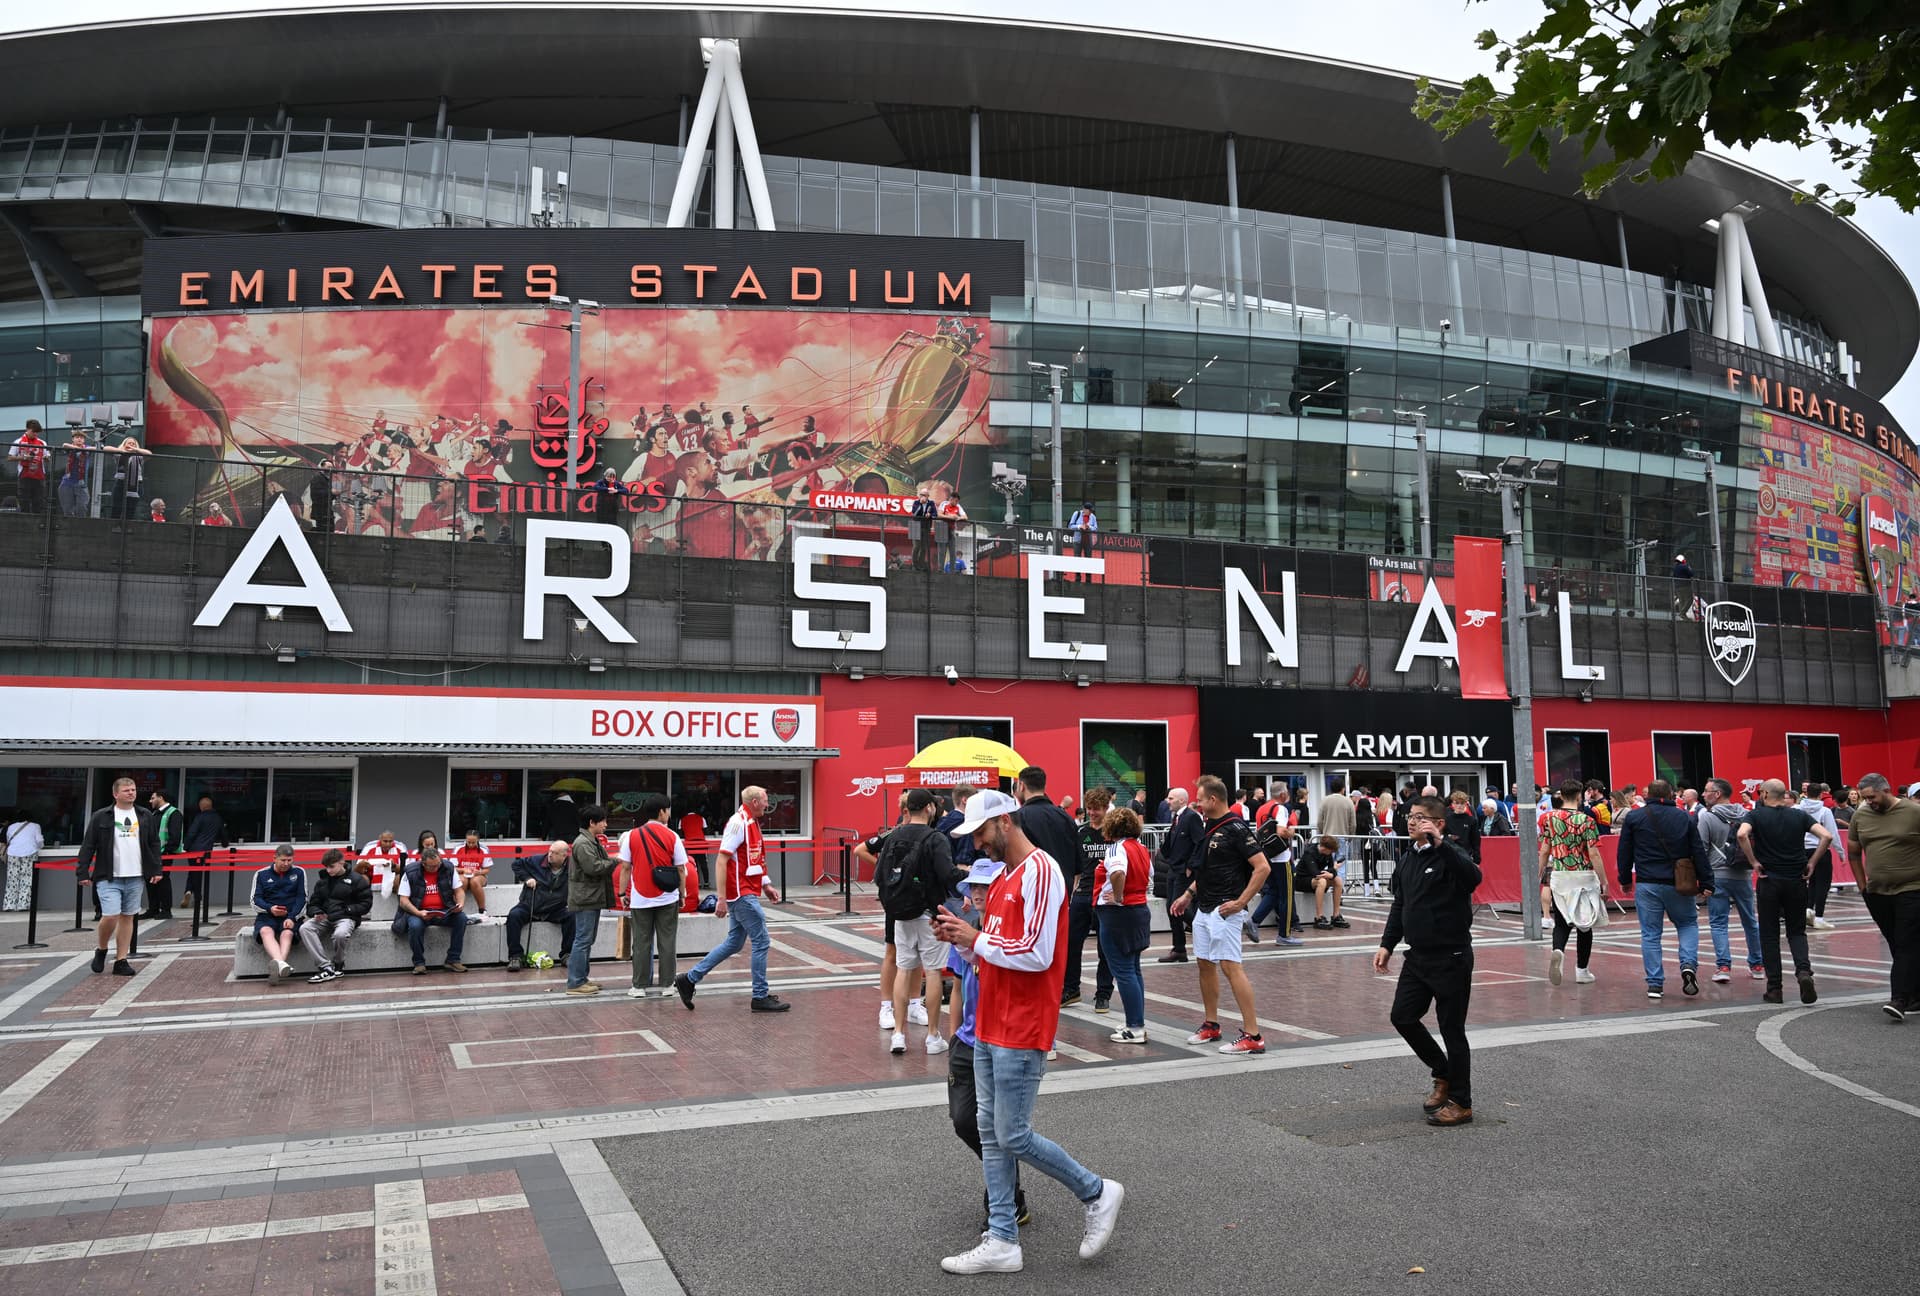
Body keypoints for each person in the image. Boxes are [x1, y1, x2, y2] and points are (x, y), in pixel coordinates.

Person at [930, 790, 1124, 1275]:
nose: (976, 843)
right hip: (993, 1022)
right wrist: (965, 940)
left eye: (980, 832)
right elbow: (997, 953)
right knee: (995, 1136)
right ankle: (1001, 1238)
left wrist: (976, 939)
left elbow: (1037, 955)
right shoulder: (1006, 878)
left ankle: (1096, 1191)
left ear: (1004, 822)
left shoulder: (1040, 871)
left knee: (1011, 1134)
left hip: (1021, 1024)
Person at [1375, 796, 1482, 1127]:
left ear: (1438, 824)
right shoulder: (1408, 858)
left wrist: (1442, 845)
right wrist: (1387, 944)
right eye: (1410, 816)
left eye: (1421, 817)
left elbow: (1473, 878)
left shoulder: (1452, 855)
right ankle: (1443, 1073)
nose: (1412, 822)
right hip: (1417, 957)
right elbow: (1399, 905)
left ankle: (1461, 1102)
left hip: (1451, 956)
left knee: (1452, 1029)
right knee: (1403, 1017)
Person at [943, 859, 1030, 1231]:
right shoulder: (967, 931)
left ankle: (1006, 1202)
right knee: (964, 1122)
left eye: (985, 887)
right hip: (966, 1043)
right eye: (973, 888)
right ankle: (1008, 1182)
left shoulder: (1003, 937)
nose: (977, 894)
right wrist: (953, 1036)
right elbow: (959, 987)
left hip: (999, 1042)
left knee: (996, 1128)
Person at [1167, 775, 1271, 1056]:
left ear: (1213, 799)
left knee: (1230, 965)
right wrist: (1188, 894)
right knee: (1204, 963)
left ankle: (1253, 1034)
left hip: (1226, 908)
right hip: (1205, 906)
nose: (1197, 804)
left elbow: (1262, 867)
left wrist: (1240, 902)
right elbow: (1208, 869)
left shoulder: (1236, 828)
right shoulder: (1209, 826)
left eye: (1200, 799)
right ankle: (1211, 1024)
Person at [674, 787, 789, 1012]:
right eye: (765, 801)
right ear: (754, 802)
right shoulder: (738, 824)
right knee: (762, 941)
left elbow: (753, 859)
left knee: (734, 943)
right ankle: (759, 996)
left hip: (745, 891)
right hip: (741, 894)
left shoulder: (751, 822)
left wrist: (765, 884)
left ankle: (689, 979)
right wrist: (722, 898)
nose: (768, 805)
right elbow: (721, 860)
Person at [878, 788, 961, 1053]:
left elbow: (880, 875)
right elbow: (947, 874)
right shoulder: (935, 838)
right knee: (933, 971)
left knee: (904, 968)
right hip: (929, 912)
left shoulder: (893, 836)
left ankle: (899, 1034)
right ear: (928, 808)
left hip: (900, 913)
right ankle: (933, 1036)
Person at [1617, 779, 1712, 999]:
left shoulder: (1635, 817)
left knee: (1650, 933)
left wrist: (1624, 879)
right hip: (1679, 881)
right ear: (1671, 794)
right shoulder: (1683, 817)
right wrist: (1706, 881)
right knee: (1687, 924)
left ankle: (1655, 984)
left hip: (1647, 882)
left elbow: (1625, 851)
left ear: (1648, 793)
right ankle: (1688, 964)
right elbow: (1697, 849)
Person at [1738, 779, 1829, 1005]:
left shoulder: (1756, 816)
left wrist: (1754, 861)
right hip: (1796, 879)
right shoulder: (1798, 815)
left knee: (1769, 935)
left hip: (1769, 879)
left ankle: (1775, 988)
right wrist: (1813, 863)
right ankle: (1803, 972)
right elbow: (1826, 836)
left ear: (1766, 793)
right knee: (1797, 931)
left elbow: (1742, 834)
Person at [1845, 773, 1920, 1021]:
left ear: (1886, 790)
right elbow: (1854, 853)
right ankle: (1916, 995)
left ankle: (1898, 998)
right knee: (1898, 944)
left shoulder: (1913, 812)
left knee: (1905, 941)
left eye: (1872, 797)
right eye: (1865, 798)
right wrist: (1862, 886)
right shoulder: (1861, 815)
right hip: (1877, 892)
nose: (1869, 802)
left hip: (1912, 889)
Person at [74, 776, 160, 977]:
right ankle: (102, 949)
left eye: (133, 789)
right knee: (110, 915)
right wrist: (83, 872)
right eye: (127, 790)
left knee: (128, 917)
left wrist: (156, 869)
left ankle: (121, 959)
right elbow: (88, 845)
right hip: (108, 875)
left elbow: (154, 844)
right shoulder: (101, 816)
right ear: (115, 794)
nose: (131, 792)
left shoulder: (145, 815)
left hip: (136, 875)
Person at [618, 794, 688, 998]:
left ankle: (639, 986)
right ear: (661, 812)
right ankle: (668, 985)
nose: (669, 813)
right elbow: (681, 869)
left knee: (641, 942)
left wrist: (623, 893)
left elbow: (625, 867)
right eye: (668, 809)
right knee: (667, 941)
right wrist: (682, 893)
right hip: (667, 897)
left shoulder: (632, 835)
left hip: (640, 897)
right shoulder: (672, 836)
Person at [1538, 780, 1606, 986]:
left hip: (1560, 874)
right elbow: (1594, 853)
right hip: (1582, 874)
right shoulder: (1586, 820)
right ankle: (1581, 970)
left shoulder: (1549, 818)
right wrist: (1604, 881)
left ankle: (1558, 949)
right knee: (1585, 925)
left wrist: (1539, 872)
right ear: (1579, 796)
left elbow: (1544, 850)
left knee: (1561, 920)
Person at [1096, 806, 1154, 1044]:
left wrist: (1118, 897)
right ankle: (1136, 1020)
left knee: (1123, 971)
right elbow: (1149, 876)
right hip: (1139, 910)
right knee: (1134, 969)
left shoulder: (1117, 848)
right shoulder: (1140, 848)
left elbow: (1118, 872)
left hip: (1118, 915)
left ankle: (1135, 1027)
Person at [1697, 778, 1763, 984]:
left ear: (1717, 794)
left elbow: (1701, 847)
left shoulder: (1706, 817)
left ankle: (1723, 966)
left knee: (1718, 922)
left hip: (1718, 873)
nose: (1703, 794)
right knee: (1750, 920)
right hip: (1743, 873)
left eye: (1707, 791)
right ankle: (1757, 964)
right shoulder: (1745, 814)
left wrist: (1702, 877)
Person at [1062, 786, 1114, 1011]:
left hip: (1105, 896)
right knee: (1072, 942)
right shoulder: (1080, 832)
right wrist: (1072, 892)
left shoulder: (1113, 833)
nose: (1092, 813)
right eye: (1089, 809)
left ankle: (1103, 993)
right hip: (1083, 894)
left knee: (1106, 947)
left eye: (1096, 809)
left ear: (1105, 808)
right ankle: (1071, 989)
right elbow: (1075, 866)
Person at [565, 805, 616, 995]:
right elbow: (593, 867)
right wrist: (616, 861)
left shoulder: (590, 841)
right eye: (602, 821)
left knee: (587, 939)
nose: (605, 824)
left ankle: (582, 979)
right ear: (591, 823)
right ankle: (576, 982)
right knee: (582, 940)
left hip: (591, 897)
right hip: (586, 898)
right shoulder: (583, 843)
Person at [396, 845, 469, 975]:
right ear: (423, 864)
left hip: (444, 910)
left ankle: (453, 959)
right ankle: (419, 963)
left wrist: (460, 904)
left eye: (438, 864)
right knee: (415, 926)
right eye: (432, 866)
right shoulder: (410, 872)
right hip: (418, 912)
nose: (436, 868)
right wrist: (418, 913)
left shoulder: (448, 868)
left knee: (462, 918)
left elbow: (459, 891)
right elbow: (403, 901)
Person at [301, 848, 370, 982]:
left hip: (346, 917)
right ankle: (326, 967)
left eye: (331, 867)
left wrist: (348, 910)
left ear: (342, 862)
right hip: (325, 917)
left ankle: (338, 964)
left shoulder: (357, 880)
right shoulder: (322, 881)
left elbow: (366, 904)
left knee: (340, 934)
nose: (328, 870)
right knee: (305, 928)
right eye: (326, 867)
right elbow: (313, 903)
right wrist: (316, 912)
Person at [506, 839, 574, 972]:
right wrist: (526, 878)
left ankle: (567, 954)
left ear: (564, 856)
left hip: (555, 908)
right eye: (549, 851)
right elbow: (516, 865)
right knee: (514, 916)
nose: (550, 855)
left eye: (554, 853)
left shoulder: (572, 866)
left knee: (572, 916)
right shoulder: (537, 860)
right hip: (530, 904)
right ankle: (515, 956)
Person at [1156, 788, 1204, 962]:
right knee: (1172, 908)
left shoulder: (1191, 817)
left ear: (1182, 801)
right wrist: (1165, 855)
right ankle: (1179, 948)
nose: (1167, 801)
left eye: (1171, 798)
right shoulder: (1176, 818)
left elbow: (1200, 843)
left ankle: (1203, 929)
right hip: (1173, 869)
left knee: (1177, 906)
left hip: (1184, 871)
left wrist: (1191, 866)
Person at [251, 844, 307, 985]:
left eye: (289, 860)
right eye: (283, 860)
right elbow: (255, 899)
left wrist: (292, 917)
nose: (286, 864)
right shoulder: (261, 874)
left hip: (290, 916)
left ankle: (278, 966)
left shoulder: (299, 872)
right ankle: (282, 965)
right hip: (267, 915)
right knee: (265, 931)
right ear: (274, 858)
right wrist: (270, 909)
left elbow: (302, 898)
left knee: (287, 933)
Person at [1796, 784, 1841, 930]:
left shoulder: (1797, 809)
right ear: (1821, 794)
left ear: (1805, 793)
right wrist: (1841, 853)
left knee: (1809, 882)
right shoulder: (1825, 811)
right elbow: (1832, 833)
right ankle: (1819, 917)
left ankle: (1808, 909)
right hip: (1821, 850)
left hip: (1802, 850)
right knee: (1822, 884)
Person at [143, 787, 184, 920]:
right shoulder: (154, 814)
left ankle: (166, 909)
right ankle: (153, 909)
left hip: (164, 854)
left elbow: (175, 836)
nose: (151, 801)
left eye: (153, 798)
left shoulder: (174, 813)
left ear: (161, 797)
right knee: (150, 881)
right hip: (151, 854)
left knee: (163, 881)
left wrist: (167, 850)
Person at [181, 793, 225, 915]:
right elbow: (223, 834)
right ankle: (193, 894)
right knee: (197, 873)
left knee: (194, 872)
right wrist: (225, 844)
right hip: (206, 851)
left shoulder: (199, 817)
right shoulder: (217, 818)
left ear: (201, 807)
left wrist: (186, 846)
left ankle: (193, 894)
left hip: (194, 850)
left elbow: (192, 833)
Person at [1296, 835, 1349, 930]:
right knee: (1322, 881)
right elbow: (1315, 873)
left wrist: (1332, 873)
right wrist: (1333, 870)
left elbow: (1332, 872)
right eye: (1331, 851)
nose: (1331, 853)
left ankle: (1336, 916)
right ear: (1325, 848)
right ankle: (1319, 917)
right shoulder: (1310, 853)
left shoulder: (1327, 854)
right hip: (1302, 880)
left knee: (1338, 880)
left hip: (1316, 878)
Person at [448, 829, 492, 921]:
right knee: (462, 881)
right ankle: (458, 908)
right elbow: (452, 868)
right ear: (465, 839)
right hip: (462, 874)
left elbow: (487, 869)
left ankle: (482, 910)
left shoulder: (484, 849)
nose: (471, 844)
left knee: (474, 881)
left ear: (478, 840)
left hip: (478, 876)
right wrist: (463, 870)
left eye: (473, 842)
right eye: (469, 842)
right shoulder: (458, 848)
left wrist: (478, 872)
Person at [4, 808, 42, 911]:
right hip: (29, 853)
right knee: (27, 879)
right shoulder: (35, 826)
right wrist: (39, 847)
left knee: (12, 879)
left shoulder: (11, 827)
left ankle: (9, 905)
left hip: (13, 853)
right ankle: (23, 905)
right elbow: (39, 841)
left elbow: (9, 840)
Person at [8, 419, 49, 514]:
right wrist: (23, 457)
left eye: (37, 432)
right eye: (33, 431)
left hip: (39, 477)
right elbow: (9, 457)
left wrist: (47, 457)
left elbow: (48, 457)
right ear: (27, 429)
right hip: (24, 476)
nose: (35, 434)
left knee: (39, 503)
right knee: (24, 503)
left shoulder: (42, 443)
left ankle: (38, 526)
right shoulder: (18, 441)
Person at [1442, 789, 1482, 864]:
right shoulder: (1446, 819)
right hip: (1450, 855)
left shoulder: (1472, 820)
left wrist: (1477, 860)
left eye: (1462, 803)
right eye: (1457, 803)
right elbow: (1442, 837)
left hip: (1466, 856)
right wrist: (1449, 837)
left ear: (1466, 804)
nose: (1459, 805)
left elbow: (1476, 841)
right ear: (1452, 804)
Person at [56, 430, 89, 517]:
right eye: (77, 437)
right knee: (67, 510)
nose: (79, 439)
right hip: (67, 483)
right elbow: (64, 445)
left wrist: (81, 449)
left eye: (81, 438)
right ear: (73, 439)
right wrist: (76, 448)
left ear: (84, 440)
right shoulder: (70, 448)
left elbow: (93, 449)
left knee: (82, 508)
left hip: (81, 483)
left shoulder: (86, 449)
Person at [1066, 500, 1098, 579]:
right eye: (1089, 510)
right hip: (1078, 539)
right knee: (1077, 557)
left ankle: (1088, 576)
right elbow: (1070, 526)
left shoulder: (1093, 517)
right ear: (1085, 509)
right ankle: (1078, 575)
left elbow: (1096, 528)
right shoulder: (1077, 514)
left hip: (1088, 539)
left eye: (1091, 511)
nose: (1090, 512)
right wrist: (1079, 526)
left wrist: (1089, 527)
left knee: (1088, 557)